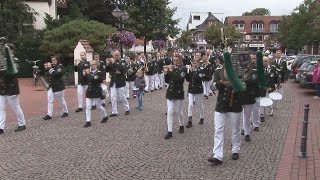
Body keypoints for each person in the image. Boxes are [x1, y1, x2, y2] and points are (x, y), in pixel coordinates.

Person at [208, 52, 242, 165]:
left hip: (235, 104)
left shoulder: (239, 72)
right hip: (221, 104)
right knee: (218, 130)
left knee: (235, 129)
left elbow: (243, 86)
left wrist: (236, 84)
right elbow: (212, 86)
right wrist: (221, 82)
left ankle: (235, 149)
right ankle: (217, 155)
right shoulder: (218, 71)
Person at [0, 43, 26, 134]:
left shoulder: (15, 60)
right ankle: (1, 127)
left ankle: (22, 124)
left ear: (11, 50)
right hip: (2, 88)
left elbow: (13, 73)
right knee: (1, 108)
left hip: (11, 87)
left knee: (15, 107)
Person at [163, 54, 187, 139]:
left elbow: (179, 79)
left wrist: (170, 70)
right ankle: (170, 131)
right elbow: (167, 80)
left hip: (178, 92)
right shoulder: (171, 68)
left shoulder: (183, 69)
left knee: (179, 111)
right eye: (174, 60)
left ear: (180, 60)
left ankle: (181, 125)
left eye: (177, 60)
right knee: (169, 111)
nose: (175, 62)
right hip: (170, 92)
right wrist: (166, 73)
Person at [83, 60, 108, 127]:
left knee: (99, 106)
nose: (92, 66)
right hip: (89, 91)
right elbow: (86, 81)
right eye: (91, 65)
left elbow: (94, 79)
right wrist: (85, 75)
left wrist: (88, 74)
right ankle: (88, 121)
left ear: (96, 65)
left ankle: (105, 116)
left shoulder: (99, 73)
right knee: (88, 106)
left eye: (93, 65)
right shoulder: (90, 73)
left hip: (96, 91)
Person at [43, 56, 69, 120]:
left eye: (54, 60)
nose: (53, 62)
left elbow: (56, 74)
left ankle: (66, 111)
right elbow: (47, 75)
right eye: (52, 60)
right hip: (51, 86)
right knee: (50, 100)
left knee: (61, 99)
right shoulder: (52, 67)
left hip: (58, 86)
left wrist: (50, 68)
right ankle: (49, 114)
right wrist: (46, 68)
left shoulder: (60, 67)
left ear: (57, 60)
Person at [105, 50, 130, 117]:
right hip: (113, 82)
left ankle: (127, 108)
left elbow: (122, 69)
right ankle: (114, 111)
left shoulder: (122, 62)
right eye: (115, 55)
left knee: (122, 97)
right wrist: (107, 64)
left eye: (117, 55)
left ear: (119, 55)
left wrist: (114, 63)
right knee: (113, 97)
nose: (116, 56)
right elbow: (107, 70)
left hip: (120, 81)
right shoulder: (112, 62)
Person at [185, 58, 204, 128]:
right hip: (191, 89)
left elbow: (200, 79)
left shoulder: (201, 70)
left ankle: (202, 117)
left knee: (200, 105)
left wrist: (194, 72)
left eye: (195, 63)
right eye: (193, 63)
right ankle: (190, 120)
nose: (194, 64)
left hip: (198, 89)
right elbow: (187, 80)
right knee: (190, 105)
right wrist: (188, 72)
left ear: (198, 64)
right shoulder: (190, 70)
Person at [260, 56, 280, 120]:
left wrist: (277, 84)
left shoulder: (273, 68)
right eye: (264, 61)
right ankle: (262, 115)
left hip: (271, 89)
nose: (265, 62)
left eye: (266, 61)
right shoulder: (259, 69)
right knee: (262, 102)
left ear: (269, 61)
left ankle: (269, 111)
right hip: (262, 89)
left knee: (269, 101)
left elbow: (277, 77)